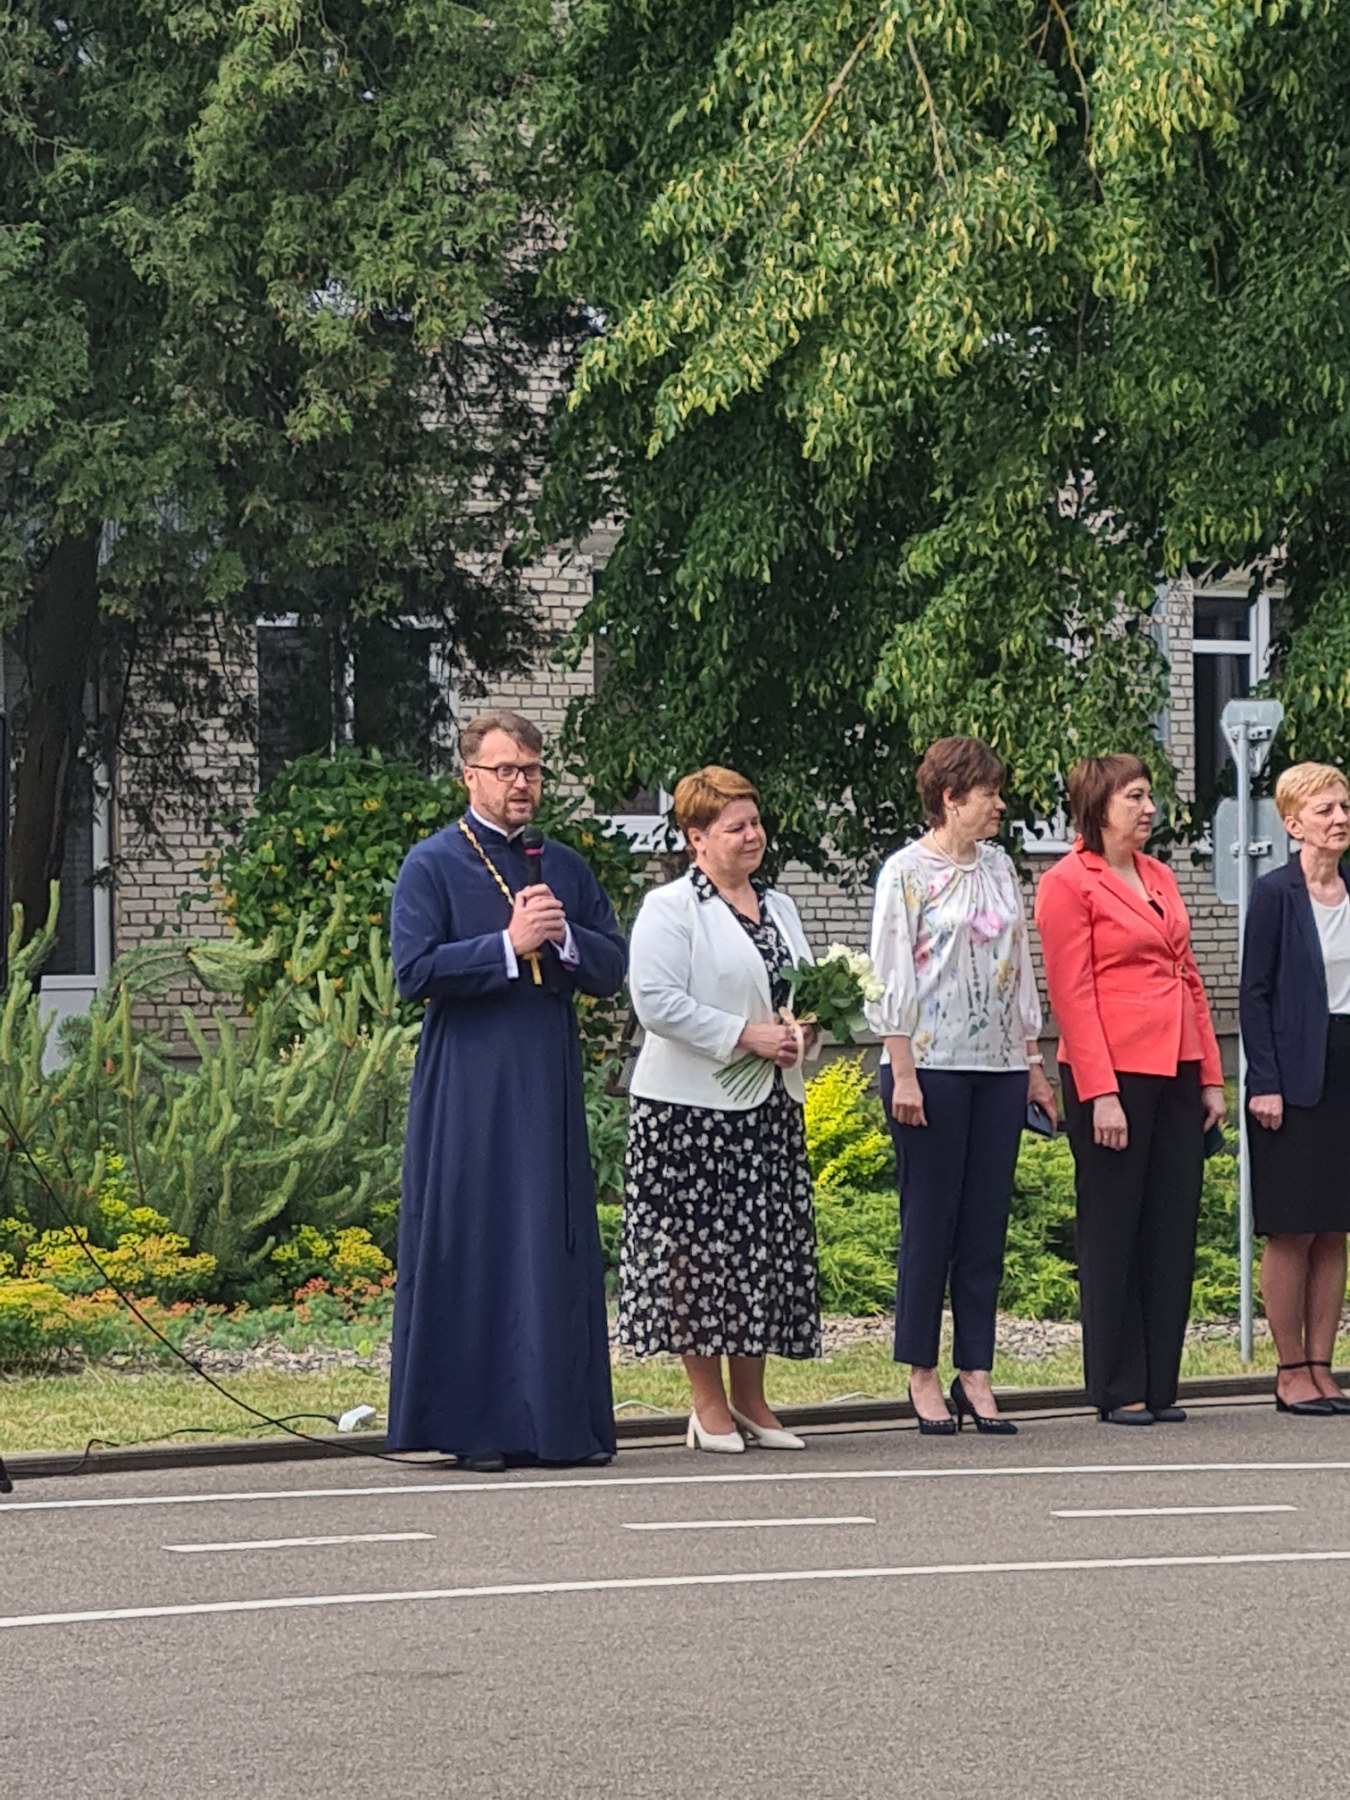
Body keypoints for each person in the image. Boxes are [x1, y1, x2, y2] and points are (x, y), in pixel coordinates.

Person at [386, 709, 627, 1471]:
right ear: (470, 777)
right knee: (480, 1239)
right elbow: (413, 972)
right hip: (469, 1081)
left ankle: (558, 1425)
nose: (522, 783)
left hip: (545, 1072)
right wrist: (504, 946)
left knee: (546, 1241)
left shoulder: (561, 863)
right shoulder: (432, 863)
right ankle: (475, 1429)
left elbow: (611, 968)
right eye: (506, 770)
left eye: (531, 770)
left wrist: (561, 940)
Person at [618, 766, 820, 1453]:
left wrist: (801, 1031)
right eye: (735, 827)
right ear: (696, 838)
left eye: (755, 823)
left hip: (767, 1108)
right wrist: (744, 1035)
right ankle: (706, 1406)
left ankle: (753, 1401)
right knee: (699, 1258)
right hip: (690, 1113)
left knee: (758, 1253)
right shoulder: (670, 908)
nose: (752, 836)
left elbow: (800, 989)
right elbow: (657, 1003)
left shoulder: (782, 908)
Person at [865, 735, 1055, 1437]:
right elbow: (888, 979)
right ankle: (920, 1368)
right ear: (951, 798)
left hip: (999, 1067)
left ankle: (975, 1368)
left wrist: (1034, 1062)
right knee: (932, 1221)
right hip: (931, 1067)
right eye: (989, 794)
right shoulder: (905, 873)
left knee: (984, 1226)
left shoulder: (1001, 867)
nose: (1000, 804)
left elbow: (1019, 964)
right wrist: (903, 1070)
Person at [1035, 754, 1225, 1426]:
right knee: (1113, 1228)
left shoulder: (1159, 875)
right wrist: (1100, 1092)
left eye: (1150, 797)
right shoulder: (1067, 883)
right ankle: (1117, 1385)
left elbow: (1190, 975)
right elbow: (1073, 993)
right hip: (1112, 1072)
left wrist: (1208, 1075)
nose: (1148, 809)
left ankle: (1160, 1382)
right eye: (1135, 797)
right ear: (1099, 804)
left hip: (1176, 1064)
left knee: (1170, 1224)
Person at [1240, 762, 1350, 1416]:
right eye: (1325, 810)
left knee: (1335, 1226)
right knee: (1293, 1229)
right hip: (1293, 1077)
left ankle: (1323, 1366)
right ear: (1292, 823)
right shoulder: (1276, 894)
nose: (1339, 818)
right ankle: (1288, 1370)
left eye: (1343, 806)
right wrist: (1267, 1082)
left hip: (1346, 1070)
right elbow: (1254, 994)